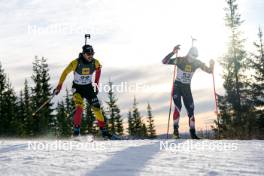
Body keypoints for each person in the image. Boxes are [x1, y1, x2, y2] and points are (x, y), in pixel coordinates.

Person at [54, 44, 114, 139]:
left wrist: (96, 84)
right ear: (83, 54)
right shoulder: (75, 63)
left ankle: (104, 132)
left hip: (88, 88)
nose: (90, 56)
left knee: (96, 108)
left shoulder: (95, 62)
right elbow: (65, 72)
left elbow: (98, 70)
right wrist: (59, 85)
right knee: (79, 107)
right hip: (77, 88)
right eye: (88, 54)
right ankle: (76, 133)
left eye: (92, 54)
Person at [162, 45, 215, 139]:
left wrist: (212, 65)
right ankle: (175, 132)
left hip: (186, 88)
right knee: (178, 107)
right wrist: (173, 52)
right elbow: (164, 61)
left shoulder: (197, 63)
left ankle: (193, 133)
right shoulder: (180, 60)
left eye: (195, 56)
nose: (193, 58)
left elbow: (209, 71)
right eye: (191, 56)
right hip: (177, 87)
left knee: (191, 110)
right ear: (188, 53)